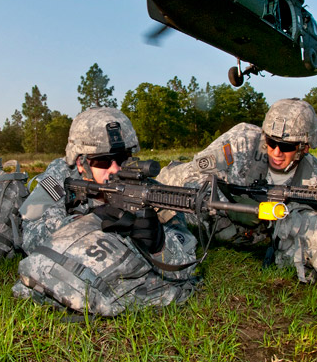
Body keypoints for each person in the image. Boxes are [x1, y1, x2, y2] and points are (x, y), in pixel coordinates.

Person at [13, 107, 197, 316]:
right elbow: (32, 237)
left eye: (122, 158)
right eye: (103, 161)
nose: (115, 169)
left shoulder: (146, 191)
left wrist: (158, 245)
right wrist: (95, 221)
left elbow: (187, 263)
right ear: (81, 164)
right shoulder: (59, 177)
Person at [156, 98, 317, 243]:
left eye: (286, 146)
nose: (276, 152)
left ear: (304, 148)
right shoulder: (242, 141)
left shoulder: (315, 178)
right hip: (169, 189)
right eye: (271, 142)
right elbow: (192, 176)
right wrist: (231, 207)